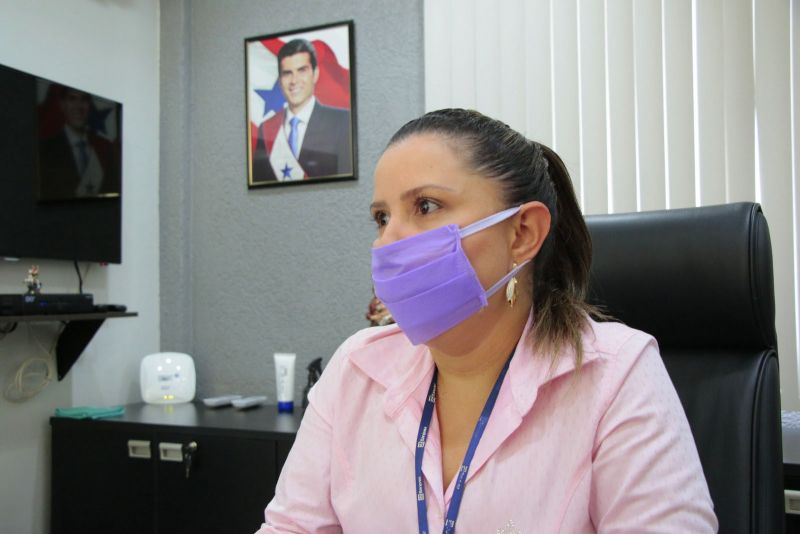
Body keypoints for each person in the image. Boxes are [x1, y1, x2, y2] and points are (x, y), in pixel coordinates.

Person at [257, 109, 717, 533]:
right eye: (382, 217)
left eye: (426, 206)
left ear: (522, 234)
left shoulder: (614, 372)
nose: (388, 242)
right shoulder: (356, 367)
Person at [252, 39, 352, 182]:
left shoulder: (342, 122)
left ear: (315, 74)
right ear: (280, 80)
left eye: (302, 70)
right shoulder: (267, 128)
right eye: (287, 73)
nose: (294, 80)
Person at [38, 87, 119, 200]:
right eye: (72, 99)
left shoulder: (104, 147)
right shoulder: (45, 149)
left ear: (90, 105)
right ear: (62, 104)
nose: (79, 106)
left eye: (84, 100)